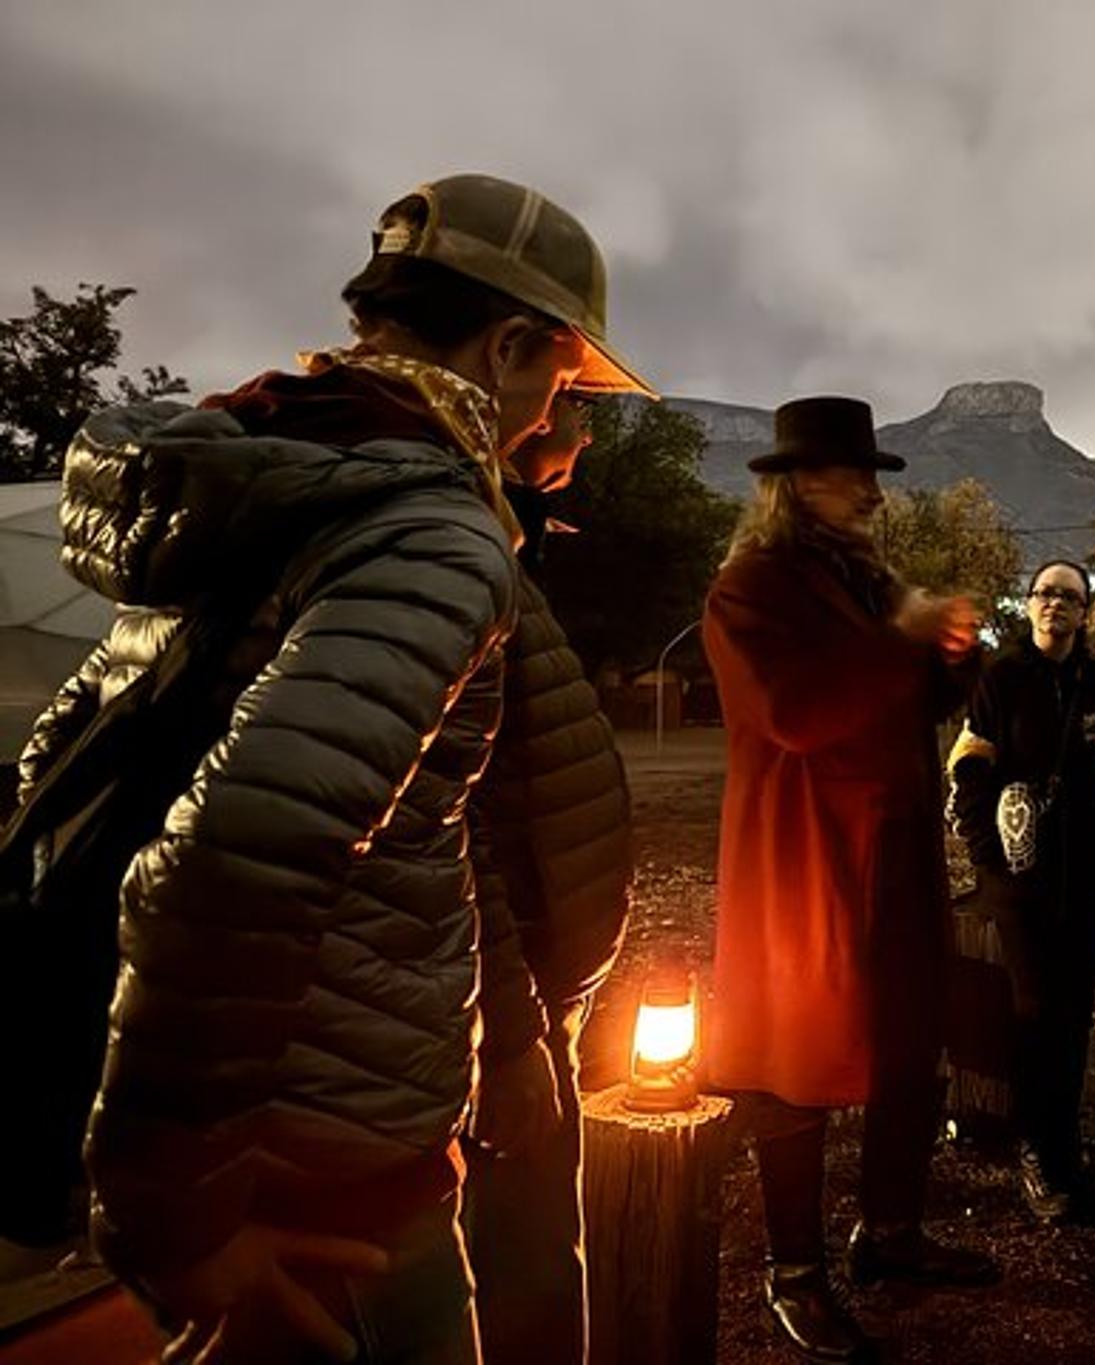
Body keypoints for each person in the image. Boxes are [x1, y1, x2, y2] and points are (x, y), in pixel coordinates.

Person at [13, 172, 648, 1363]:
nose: (558, 421)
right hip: (319, 1160)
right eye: (561, 381)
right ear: (509, 344)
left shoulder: (267, 481)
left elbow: (69, 755)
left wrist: (504, 1034)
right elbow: (236, 857)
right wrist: (178, 1215)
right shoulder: (429, 530)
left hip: (303, 1116)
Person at [704, 396, 996, 1365]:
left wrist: (953, 655)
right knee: (798, 1059)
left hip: (895, 850)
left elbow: (910, 698)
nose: (872, 493)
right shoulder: (748, 589)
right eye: (852, 474)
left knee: (909, 1040)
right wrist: (905, 638)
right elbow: (796, 713)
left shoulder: (867, 584)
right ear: (797, 486)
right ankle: (795, 1272)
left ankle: (891, 1234)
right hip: (807, 866)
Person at [462, 388, 634, 1365]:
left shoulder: (507, 546)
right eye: (575, 401)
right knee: (514, 1275)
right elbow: (450, 810)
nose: (588, 430)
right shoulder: (469, 560)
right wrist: (509, 1028)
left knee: (530, 1257)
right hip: (500, 1006)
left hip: (533, 994)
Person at [948, 559, 1095, 1222]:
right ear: (1027, 606)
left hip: (1084, 882)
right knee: (1034, 1010)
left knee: (1075, 1015)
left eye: (1071, 596)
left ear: (1086, 613)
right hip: (1020, 884)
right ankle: (1037, 1152)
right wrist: (989, 861)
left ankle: (1067, 1146)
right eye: (1045, 593)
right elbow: (969, 774)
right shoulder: (1001, 679)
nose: (1056, 604)